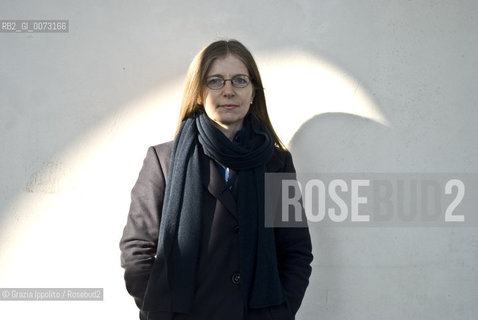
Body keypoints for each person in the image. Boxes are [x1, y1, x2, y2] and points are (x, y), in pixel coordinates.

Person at [120, 39, 313, 320]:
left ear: (253, 93)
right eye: (215, 81)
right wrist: (160, 311)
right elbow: (136, 250)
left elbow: (296, 252)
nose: (228, 90)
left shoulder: (276, 163)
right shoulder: (163, 161)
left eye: (239, 80)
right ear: (198, 93)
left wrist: (278, 314)